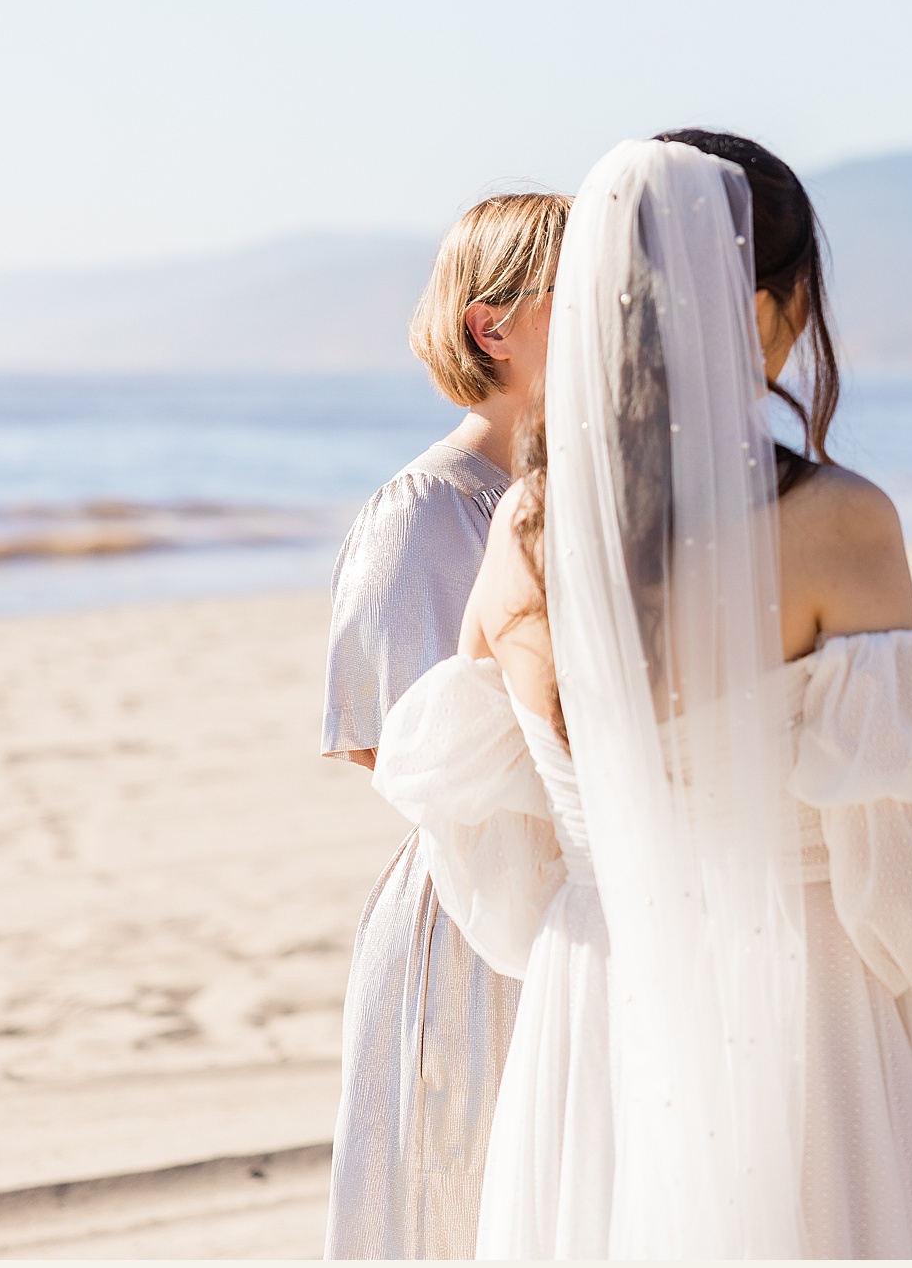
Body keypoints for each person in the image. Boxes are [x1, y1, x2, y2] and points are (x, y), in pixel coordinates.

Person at [370, 133, 912, 1258]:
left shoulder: (526, 522)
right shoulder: (838, 521)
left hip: (597, 983)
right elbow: (903, 852)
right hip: (800, 991)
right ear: (771, 305)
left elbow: (462, 787)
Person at [321, 189, 570, 1260]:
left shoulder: (598, 498)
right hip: (474, 917)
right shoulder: (425, 507)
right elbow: (392, 740)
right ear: (494, 324)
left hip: (596, 899)